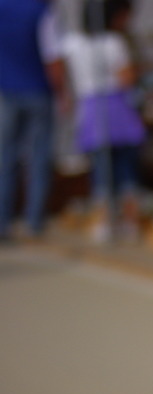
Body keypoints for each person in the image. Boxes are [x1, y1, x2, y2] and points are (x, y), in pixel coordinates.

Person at [63, 0, 146, 243]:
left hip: (89, 108)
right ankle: (130, 221)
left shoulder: (73, 44)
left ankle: (104, 221)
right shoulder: (113, 42)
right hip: (115, 106)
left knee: (100, 169)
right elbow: (126, 77)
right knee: (126, 168)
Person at [0, 0, 64, 242]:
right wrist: (62, 93)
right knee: (39, 157)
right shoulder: (41, 10)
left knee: (6, 159)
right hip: (38, 90)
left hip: (7, 91)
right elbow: (52, 56)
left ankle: (3, 221)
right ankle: (34, 220)